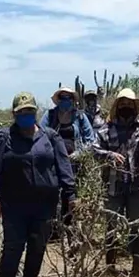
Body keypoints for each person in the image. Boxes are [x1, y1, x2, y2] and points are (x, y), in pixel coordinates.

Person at [0, 92, 76, 277]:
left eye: (30, 111)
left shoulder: (50, 137)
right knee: (12, 249)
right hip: (14, 206)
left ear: (36, 112)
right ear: (15, 114)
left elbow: (63, 167)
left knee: (37, 248)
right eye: (22, 112)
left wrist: (71, 194)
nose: (26, 115)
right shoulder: (4, 138)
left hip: (44, 206)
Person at [92, 88, 139, 277]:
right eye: (123, 103)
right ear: (117, 106)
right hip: (113, 186)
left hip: (138, 185)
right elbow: (94, 150)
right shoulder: (106, 129)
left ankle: (138, 266)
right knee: (111, 225)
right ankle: (110, 266)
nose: (126, 106)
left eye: (129, 103)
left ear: (135, 106)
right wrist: (109, 155)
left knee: (138, 225)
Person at [41, 87, 95, 239]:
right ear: (58, 100)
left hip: (74, 164)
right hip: (52, 164)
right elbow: (40, 134)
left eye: (68, 98)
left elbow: (91, 140)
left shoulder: (80, 117)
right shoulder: (49, 115)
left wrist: (79, 153)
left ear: (73, 100)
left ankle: (70, 230)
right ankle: (53, 232)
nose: (66, 100)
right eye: (62, 97)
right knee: (52, 195)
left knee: (71, 195)